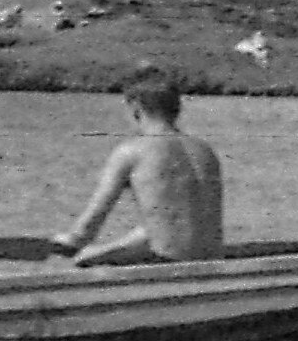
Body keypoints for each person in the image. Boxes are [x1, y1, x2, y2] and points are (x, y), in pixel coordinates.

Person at [50, 73, 223, 267]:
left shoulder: (132, 151)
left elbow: (87, 229)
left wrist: (67, 241)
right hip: (210, 256)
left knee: (84, 255)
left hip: (166, 259)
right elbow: (178, 224)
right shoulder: (204, 150)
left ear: (136, 109)